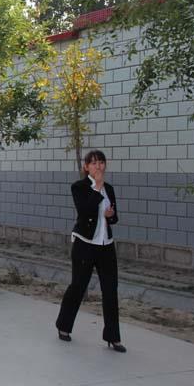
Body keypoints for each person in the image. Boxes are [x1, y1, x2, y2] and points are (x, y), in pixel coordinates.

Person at [55, 150, 125, 352]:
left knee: (110, 290)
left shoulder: (109, 189)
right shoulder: (79, 187)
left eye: (101, 162)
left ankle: (113, 337)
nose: (98, 166)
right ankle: (63, 326)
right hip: (85, 244)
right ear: (86, 167)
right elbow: (85, 211)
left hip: (106, 244)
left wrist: (111, 215)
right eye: (93, 163)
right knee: (78, 286)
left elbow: (114, 218)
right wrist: (98, 186)